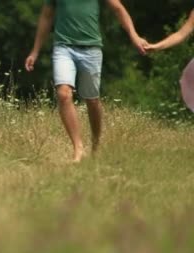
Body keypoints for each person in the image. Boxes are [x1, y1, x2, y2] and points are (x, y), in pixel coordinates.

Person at [25, 0, 147, 162]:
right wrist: (35, 52)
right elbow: (46, 17)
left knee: (92, 100)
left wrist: (134, 36)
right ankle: (78, 148)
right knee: (63, 94)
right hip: (63, 47)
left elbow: (118, 9)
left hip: (91, 49)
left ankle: (96, 144)